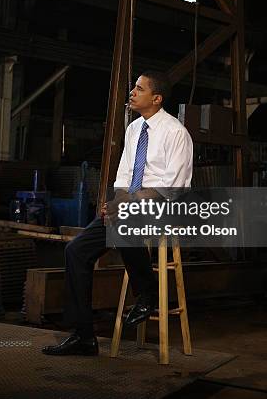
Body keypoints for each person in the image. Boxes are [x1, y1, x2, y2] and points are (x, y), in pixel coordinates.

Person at [42, 70, 193, 356]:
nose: (132, 93)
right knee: (76, 250)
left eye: (139, 89)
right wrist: (116, 201)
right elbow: (124, 177)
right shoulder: (135, 129)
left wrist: (129, 202)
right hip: (132, 211)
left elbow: (174, 186)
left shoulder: (176, 133)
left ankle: (148, 292)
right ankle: (83, 336)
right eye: (133, 88)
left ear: (157, 99)